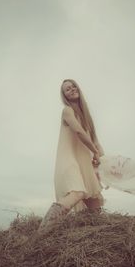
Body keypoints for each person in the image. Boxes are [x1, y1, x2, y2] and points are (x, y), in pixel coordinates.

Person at [38, 79, 105, 233]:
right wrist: (94, 151)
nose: (72, 89)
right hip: (69, 161)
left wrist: (99, 158)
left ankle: (94, 237)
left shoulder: (87, 118)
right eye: (67, 89)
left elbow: (96, 143)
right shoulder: (67, 111)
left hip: (84, 165)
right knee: (78, 193)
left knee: (96, 204)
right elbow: (79, 133)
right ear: (65, 96)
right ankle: (39, 236)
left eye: (73, 86)